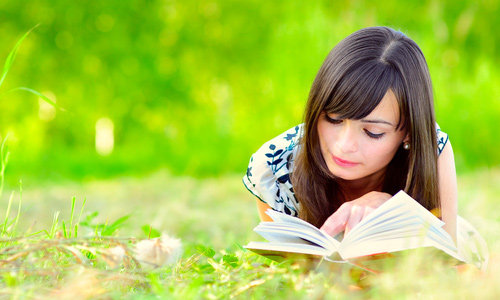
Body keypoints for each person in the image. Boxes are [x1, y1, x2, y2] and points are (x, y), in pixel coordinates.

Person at [243, 26, 488, 270]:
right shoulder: (274, 168)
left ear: (408, 133)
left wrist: (393, 209)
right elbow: (292, 275)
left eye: (373, 132)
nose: (344, 145)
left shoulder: (431, 149)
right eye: (333, 120)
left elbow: (447, 269)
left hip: (467, 243)